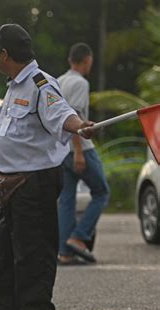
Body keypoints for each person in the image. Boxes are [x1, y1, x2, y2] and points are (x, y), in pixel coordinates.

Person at [0, 24, 95, 310]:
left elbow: (61, 113)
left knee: (33, 259)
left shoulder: (40, 83)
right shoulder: (15, 87)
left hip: (34, 186)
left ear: (4, 54)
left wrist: (79, 126)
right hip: (12, 186)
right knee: (8, 257)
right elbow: (13, 138)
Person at [57, 43, 110, 265]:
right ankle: (78, 238)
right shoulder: (80, 83)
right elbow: (75, 117)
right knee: (101, 192)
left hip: (62, 151)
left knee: (66, 199)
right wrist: (79, 152)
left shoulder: (59, 81)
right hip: (80, 149)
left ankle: (64, 252)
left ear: (70, 59)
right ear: (87, 60)